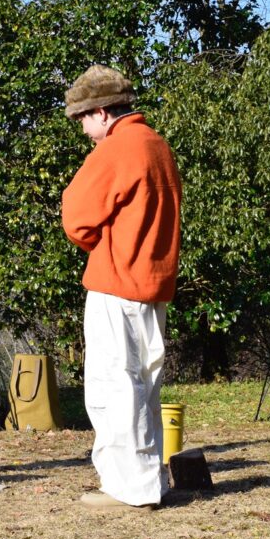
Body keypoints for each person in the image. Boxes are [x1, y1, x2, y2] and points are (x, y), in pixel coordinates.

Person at [61, 64, 181, 510]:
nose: (82, 127)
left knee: (115, 386)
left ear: (102, 112)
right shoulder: (157, 145)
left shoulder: (115, 150)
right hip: (154, 281)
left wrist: (96, 241)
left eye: (82, 118)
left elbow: (77, 218)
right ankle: (148, 481)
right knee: (144, 386)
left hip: (117, 281)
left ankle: (129, 489)